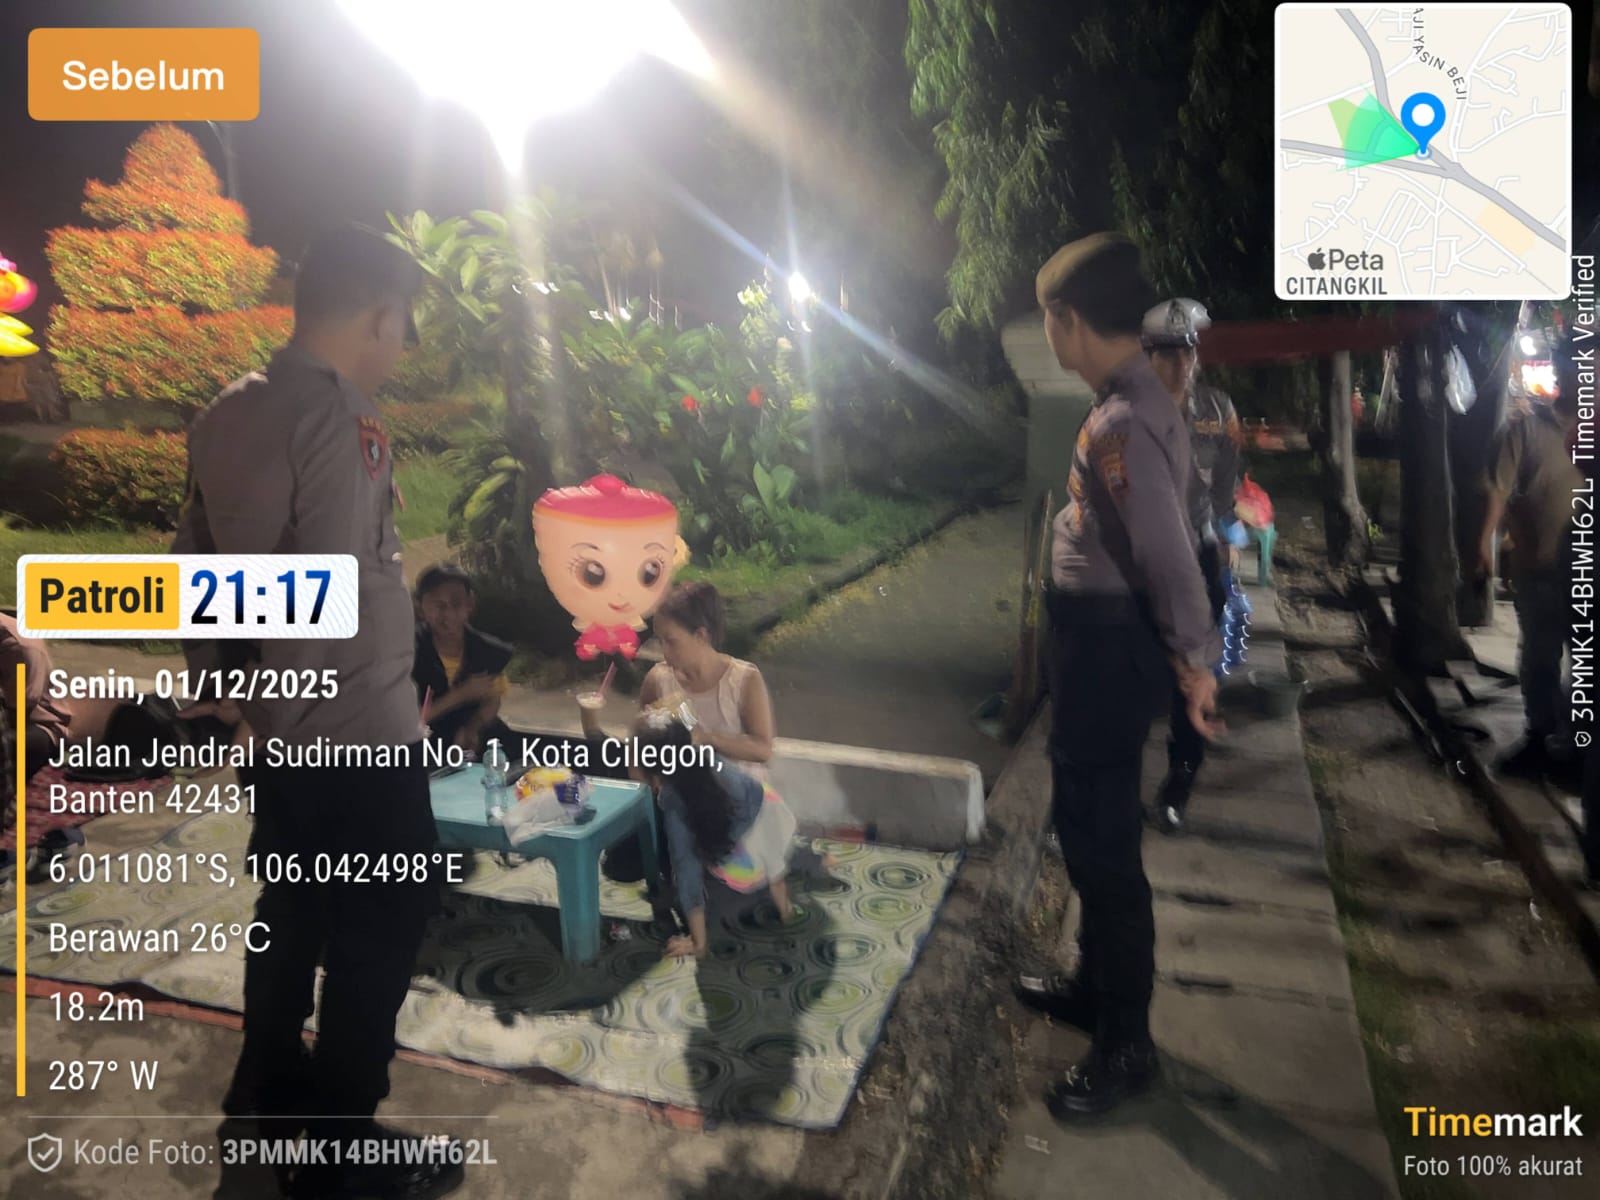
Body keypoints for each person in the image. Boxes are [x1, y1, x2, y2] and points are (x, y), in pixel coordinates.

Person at [172, 224, 463, 1199]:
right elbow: (330, 594)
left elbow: (192, 567)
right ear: (379, 316)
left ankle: (266, 1083)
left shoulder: (226, 412)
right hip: (354, 736)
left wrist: (237, 702)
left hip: (281, 735)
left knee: (292, 906)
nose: (402, 344)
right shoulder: (344, 419)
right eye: (403, 323)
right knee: (385, 917)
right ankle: (342, 1151)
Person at [1013, 233, 1222, 1119]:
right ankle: (1094, 990)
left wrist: (1196, 662)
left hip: (1106, 653)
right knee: (1091, 828)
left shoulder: (1124, 422)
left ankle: (1127, 1041)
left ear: (1067, 321)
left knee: (1102, 846)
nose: (1045, 335)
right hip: (1098, 647)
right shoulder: (1131, 401)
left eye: (1045, 320)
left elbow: (1169, 556)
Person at [1141, 298, 1244, 833]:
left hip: (1198, 554)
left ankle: (1180, 780)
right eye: (1168, 354)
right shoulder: (1128, 411)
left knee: (1196, 669)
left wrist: (1226, 540)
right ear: (1148, 357)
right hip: (1142, 558)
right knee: (1136, 664)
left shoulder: (1219, 410)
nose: (1181, 364)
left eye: (1188, 352)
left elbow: (1227, 481)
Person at [1477, 337, 1585, 784]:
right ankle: (1541, 737)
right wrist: (1486, 541)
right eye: (1577, 367)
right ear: (1561, 372)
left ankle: (1577, 747)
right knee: (1539, 658)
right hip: (1540, 568)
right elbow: (1499, 489)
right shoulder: (1526, 430)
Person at [629, 716, 798, 959]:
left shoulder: (675, 805)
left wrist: (698, 943)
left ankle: (779, 894)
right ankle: (787, 906)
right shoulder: (705, 760)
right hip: (775, 814)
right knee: (772, 866)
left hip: (748, 851)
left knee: (704, 883)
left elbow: (687, 871)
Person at [633, 582, 776, 780]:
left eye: (672, 642)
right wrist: (646, 729)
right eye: (660, 641)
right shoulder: (658, 680)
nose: (664, 651)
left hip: (738, 789)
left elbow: (762, 749)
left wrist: (705, 738)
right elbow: (640, 747)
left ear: (701, 635)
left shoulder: (742, 680)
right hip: (681, 789)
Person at [412, 562, 514, 756]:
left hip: (477, 746)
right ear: (420, 607)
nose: (448, 614)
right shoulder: (405, 653)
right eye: (438, 605)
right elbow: (406, 721)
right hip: (423, 748)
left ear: (470, 603)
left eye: (456, 603)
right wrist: (461, 694)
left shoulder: (488, 650)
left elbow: (492, 700)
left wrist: (473, 727)